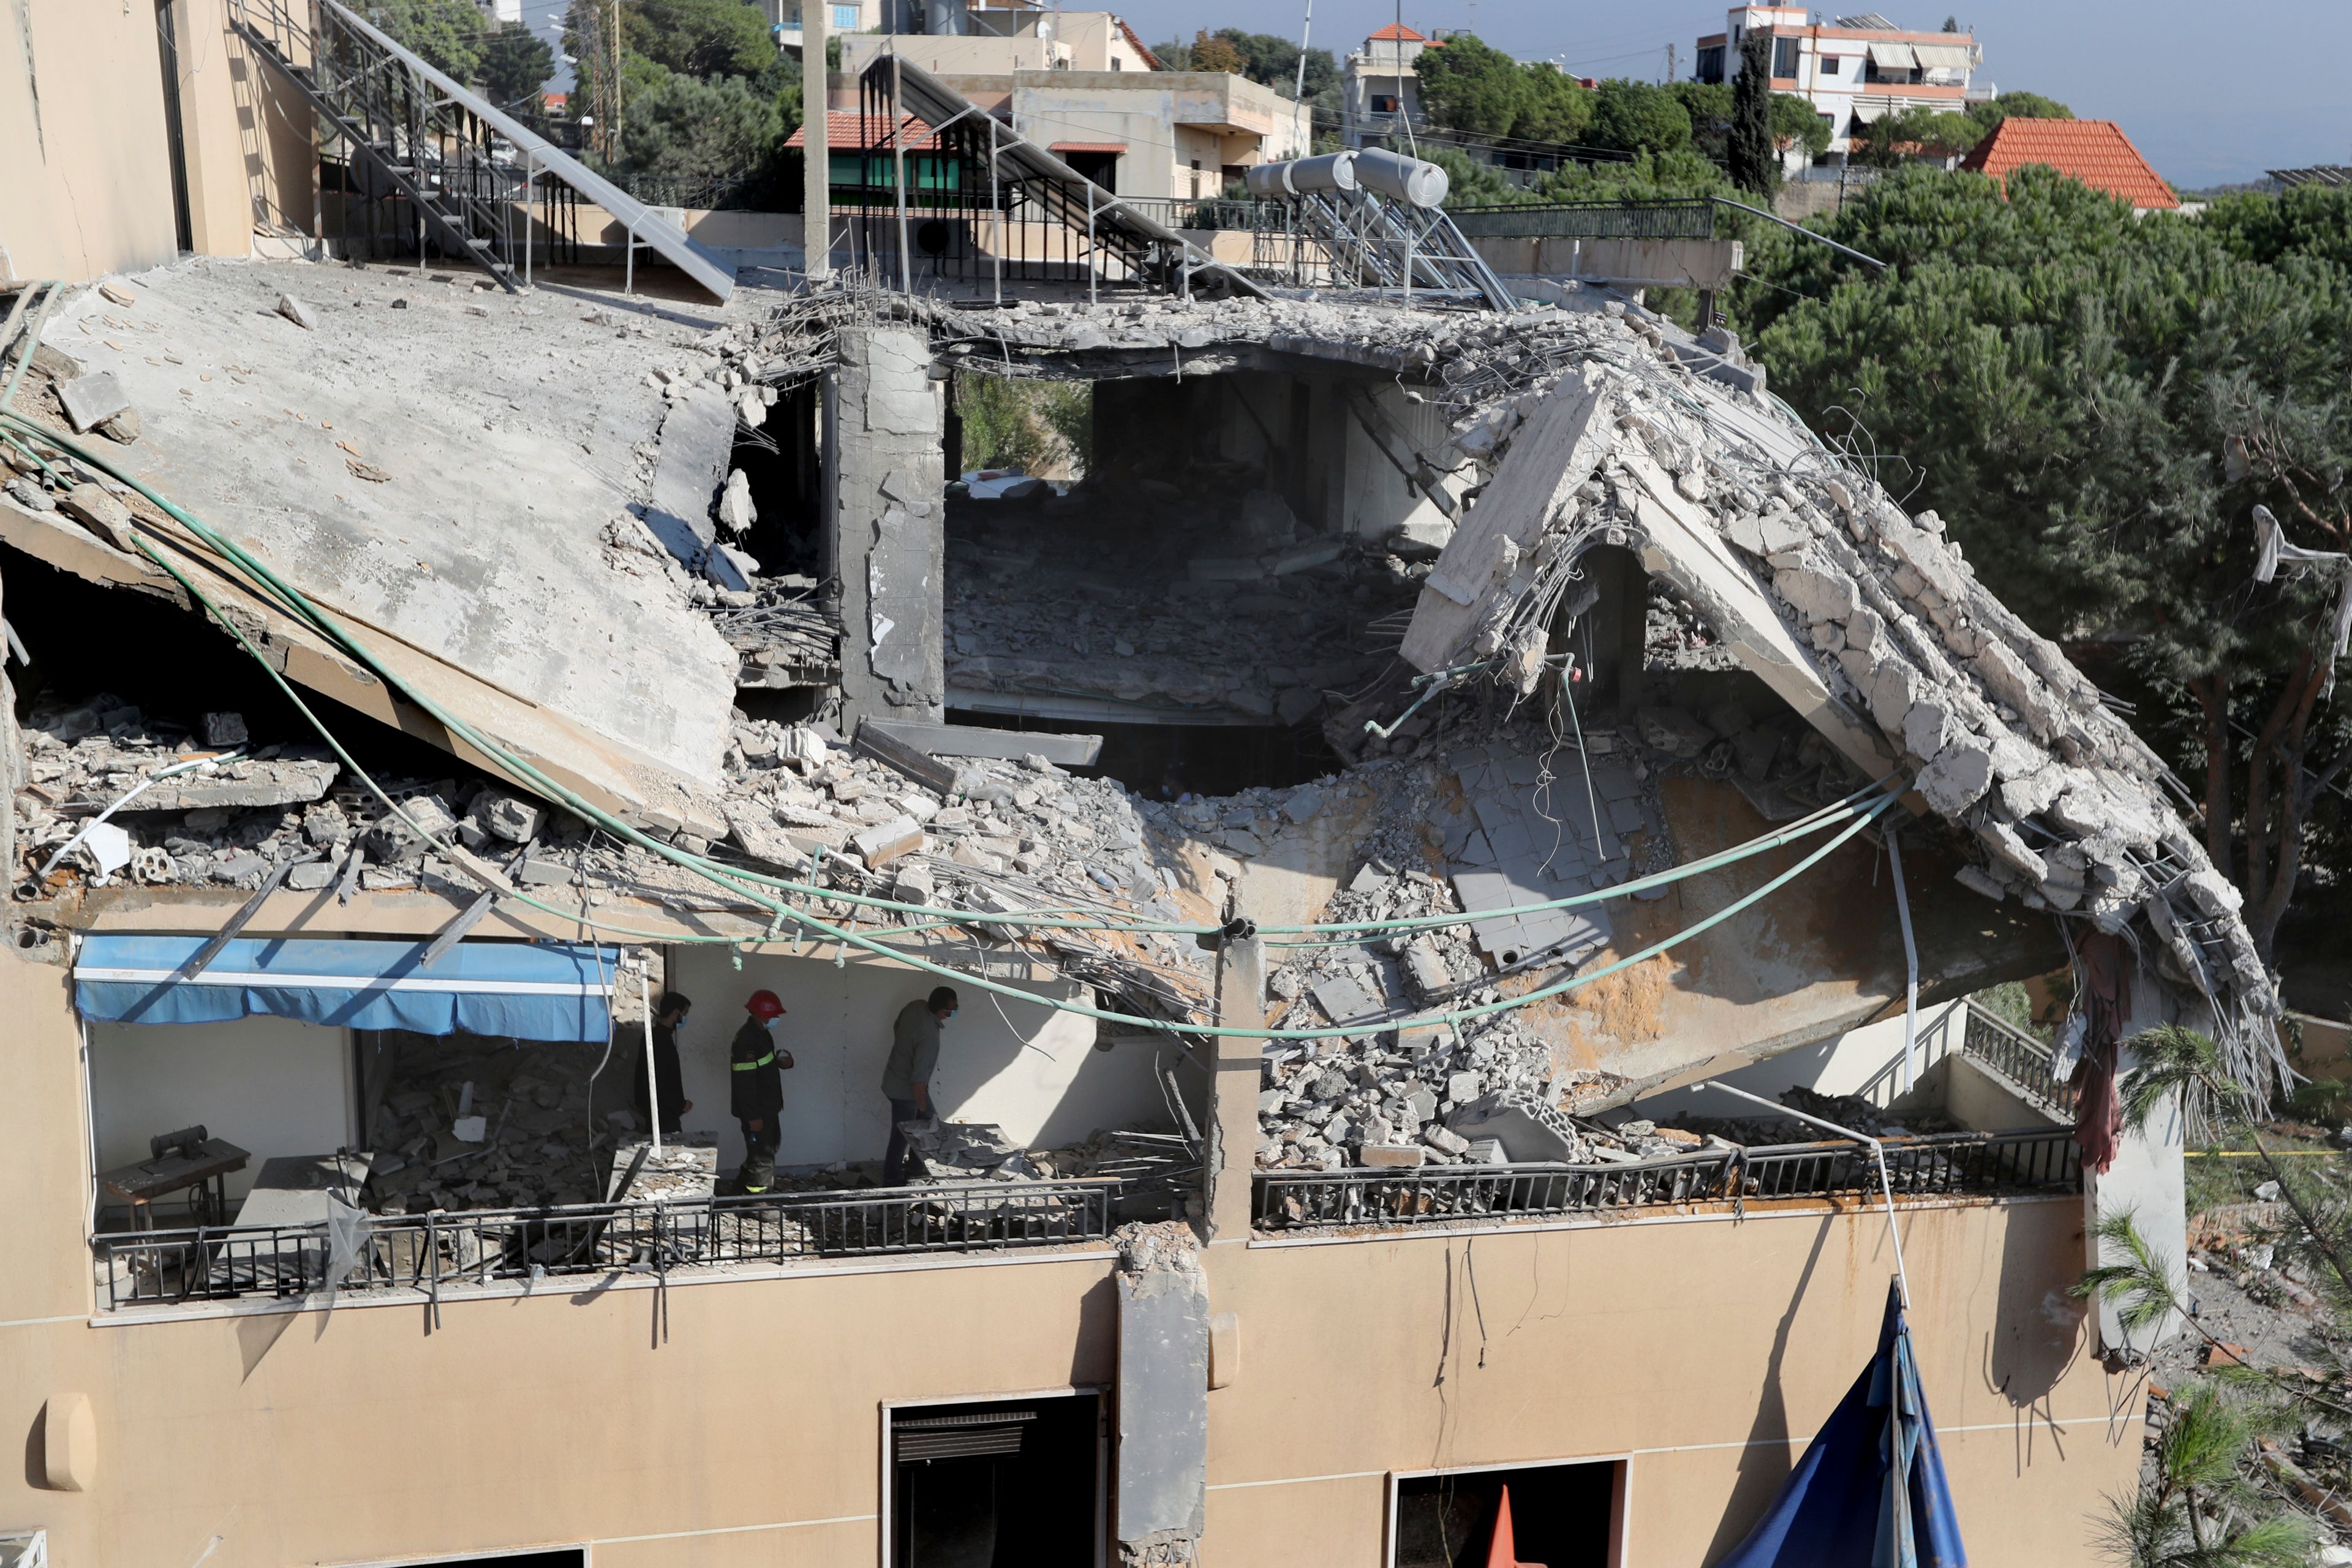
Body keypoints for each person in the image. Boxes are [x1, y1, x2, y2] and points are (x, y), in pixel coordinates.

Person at [880, 986, 957, 1185]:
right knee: (904, 1134)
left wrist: (904, 1053)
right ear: (940, 1011)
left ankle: (916, 1169)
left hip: (895, 1079)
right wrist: (921, 1106)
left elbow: (896, 1027)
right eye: (951, 1011)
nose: (953, 1014)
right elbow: (918, 1080)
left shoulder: (915, 1006)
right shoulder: (929, 1036)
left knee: (926, 1123)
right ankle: (892, 1180)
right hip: (906, 1090)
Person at [730, 989, 793, 1193]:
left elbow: (763, 1065)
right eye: (773, 1014)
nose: (776, 1018)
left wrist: (782, 1062)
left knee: (762, 1151)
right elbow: (744, 1083)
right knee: (762, 1158)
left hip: (767, 1107)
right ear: (761, 1014)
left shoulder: (762, 1034)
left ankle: (739, 1191)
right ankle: (759, 1202)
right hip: (757, 1110)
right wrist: (753, 1116)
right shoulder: (746, 1040)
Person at [631, 990, 693, 1137]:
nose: (685, 1018)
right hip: (666, 1114)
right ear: (675, 1013)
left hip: (652, 1111)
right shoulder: (663, 1041)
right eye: (685, 1013)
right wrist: (681, 1105)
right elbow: (664, 1080)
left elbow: (640, 1073)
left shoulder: (650, 1035)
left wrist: (640, 1102)